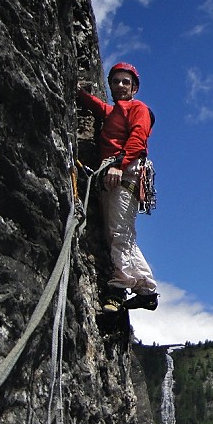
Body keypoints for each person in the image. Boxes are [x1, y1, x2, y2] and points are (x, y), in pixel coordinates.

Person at [77, 62, 158, 313]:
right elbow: (100, 108)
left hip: (124, 171)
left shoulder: (138, 108)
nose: (120, 86)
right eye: (116, 81)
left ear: (134, 88)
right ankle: (146, 288)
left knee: (119, 232)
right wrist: (78, 93)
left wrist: (119, 165)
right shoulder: (115, 112)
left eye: (126, 82)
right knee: (122, 233)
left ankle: (118, 287)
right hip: (118, 171)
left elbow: (138, 139)